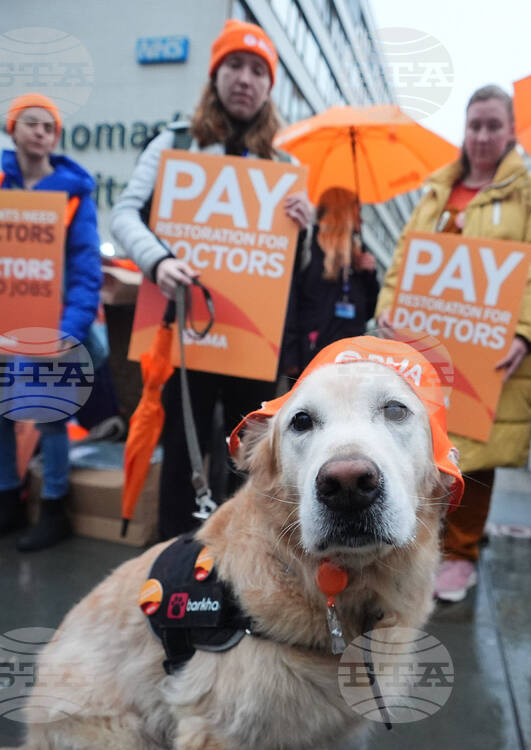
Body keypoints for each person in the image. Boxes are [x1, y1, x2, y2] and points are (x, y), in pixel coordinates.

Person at [110, 20, 313, 539]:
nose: (245, 79)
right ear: (215, 75)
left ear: (269, 87)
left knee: (248, 452)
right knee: (182, 444)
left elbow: (297, 268)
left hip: (251, 338)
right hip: (187, 327)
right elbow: (124, 214)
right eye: (234, 66)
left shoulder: (284, 164)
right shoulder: (173, 143)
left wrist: (302, 231)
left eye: (257, 70)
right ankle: (173, 554)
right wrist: (158, 262)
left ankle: (237, 552)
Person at [376, 84, 531, 602]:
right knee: (419, 445)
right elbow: (403, 260)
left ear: (511, 132)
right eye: (474, 124)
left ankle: (460, 554)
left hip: (490, 351)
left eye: (492, 125)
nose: (481, 135)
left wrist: (525, 333)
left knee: (473, 456)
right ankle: (416, 543)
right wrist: (387, 313)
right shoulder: (438, 189)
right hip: (428, 347)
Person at [0, 93, 102, 551]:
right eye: (30, 123)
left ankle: (54, 508)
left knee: (51, 417)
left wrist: (67, 332)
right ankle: (6, 502)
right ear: (11, 130)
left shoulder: (74, 196)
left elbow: (86, 272)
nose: (40, 132)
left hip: (49, 328)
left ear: (55, 138)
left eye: (48, 127)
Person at [281, 187, 379, 374]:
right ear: (343, 212)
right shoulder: (309, 244)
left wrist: (369, 276)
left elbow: (368, 312)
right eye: (358, 211)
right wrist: (290, 357)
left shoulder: (359, 253)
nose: (362, 219)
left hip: (349, 362)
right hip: (311, 360)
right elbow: (291, 304)